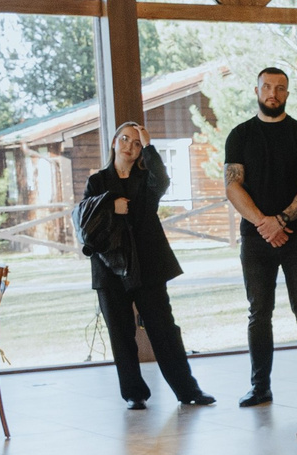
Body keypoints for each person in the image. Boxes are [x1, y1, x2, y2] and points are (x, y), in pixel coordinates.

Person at [87, 121, 212, 410]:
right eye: (125, 139)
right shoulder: (97, 181)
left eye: (137, 143)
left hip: (148, 265)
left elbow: (163, 180)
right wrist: (110, 205)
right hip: (109, 267)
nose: (129, 146)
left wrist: (151, 144)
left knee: (164, 329)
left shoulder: (147, 178)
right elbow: (86, 218)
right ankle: (134, 394)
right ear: (114, 141)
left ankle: (187, 391)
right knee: (121, 334)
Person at [222, 66, 297, 407]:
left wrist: (280, 220)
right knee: (259, 313)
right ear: (257, 91)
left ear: (287, 93)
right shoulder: (239, 135)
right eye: (267, 87)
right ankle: (260, 387)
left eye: (280, 88)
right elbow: (232, 185)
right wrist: (264, 224)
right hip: (256, 238)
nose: (273, 93)